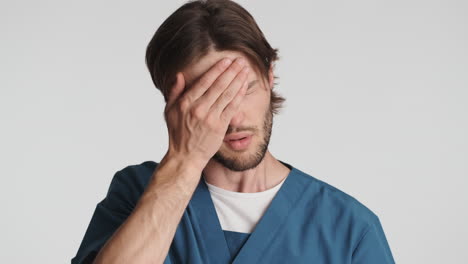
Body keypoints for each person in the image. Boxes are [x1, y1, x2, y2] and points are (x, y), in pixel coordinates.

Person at [72, 0, 395, 263]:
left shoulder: (348, 229)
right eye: (210, 98)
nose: (235, 118)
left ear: (270, 77)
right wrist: (184, 161)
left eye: (245, 89)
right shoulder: (135, 196)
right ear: (173, 102)